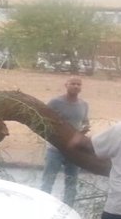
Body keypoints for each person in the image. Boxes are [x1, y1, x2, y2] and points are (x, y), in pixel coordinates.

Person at [39, 76, 90, 206]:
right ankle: (42, 206)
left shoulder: (84, 105)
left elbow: (85, 122)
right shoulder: (55, 102)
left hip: (74, 150)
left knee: (71, 182)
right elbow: (43, 118)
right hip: (55, 148)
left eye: (79, 84)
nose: (76, 86)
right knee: (48, 180)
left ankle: (68, 209)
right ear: (66, 85)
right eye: (73, 83)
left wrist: (84, 130)